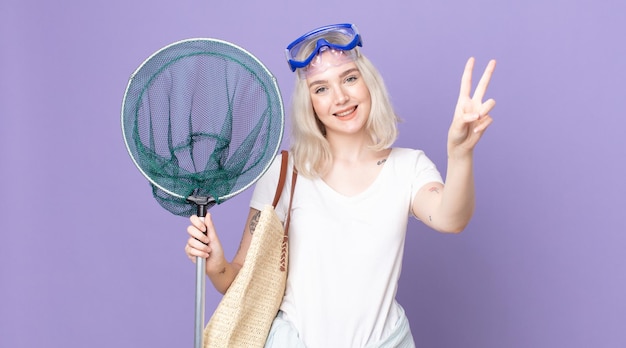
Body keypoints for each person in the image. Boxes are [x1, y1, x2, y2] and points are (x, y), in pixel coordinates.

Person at [185, 23, 496, 347]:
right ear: (311, 105)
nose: (341, 97)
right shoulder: (284, 172)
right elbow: (238, 281)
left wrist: (460, 154)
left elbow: (451, 219)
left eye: (349, 78)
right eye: (321, 88)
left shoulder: (408, 167)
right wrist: (216, 264)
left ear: (368, 83)